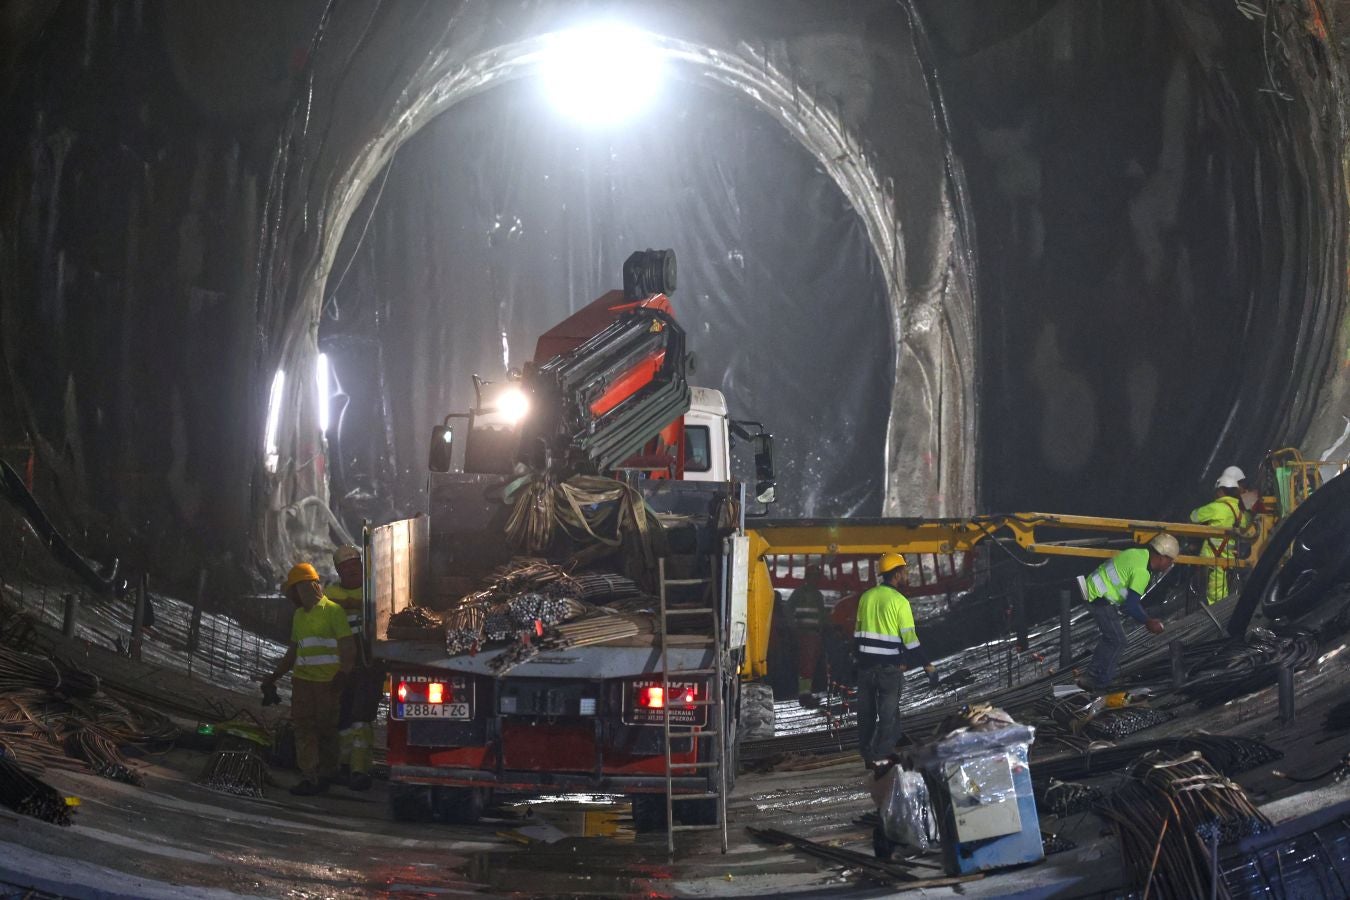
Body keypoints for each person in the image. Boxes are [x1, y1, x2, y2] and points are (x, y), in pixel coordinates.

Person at [262, 563, 354, 796]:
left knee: (326, 729)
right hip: (303, 681)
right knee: (303, 728)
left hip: (327, 683)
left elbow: (347, 647)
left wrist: (343, 673)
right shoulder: (299, 616)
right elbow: (293, 652)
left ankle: (327, 773)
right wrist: (274, 676)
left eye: (296, 590)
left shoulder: (333, 612)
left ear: (308, 586)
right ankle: (310, 777)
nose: (295, 596)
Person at [853, 553, 938, 767]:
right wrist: (927, 664)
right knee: (888, 715)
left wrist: (857, 663)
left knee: (866, 715)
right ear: (898, 574)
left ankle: (867, 754)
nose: (906, 575)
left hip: (865, 668)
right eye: (905, 571)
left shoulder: (866, 597)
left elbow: (857, 634)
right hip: (888, 670)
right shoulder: (900, 602)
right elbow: (910, 639)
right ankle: (881, 755)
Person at [1075, 534, 1176, 692]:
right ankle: (1097, 683)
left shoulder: (1135, 553)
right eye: (1170, 561)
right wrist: (1148, 621)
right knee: (1118, 640)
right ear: (1162, 557)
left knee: (1111, 637)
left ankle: (1092, 677)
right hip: (1099, 597)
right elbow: (1130, 605)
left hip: (1090, 587)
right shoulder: (1143, 572)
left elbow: (1124, 591)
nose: (1170, 565)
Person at [324, 544, 380, 791]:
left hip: (367, 665)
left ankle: (360, 770)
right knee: (342, 717)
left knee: (361, 716)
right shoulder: (330, 593)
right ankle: (343, 766)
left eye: (355, 565)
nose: (352, 571)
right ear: (338, 571)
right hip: (339, 664)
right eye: (345, 567)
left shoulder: (373, 590)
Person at [1190, 471, 1250, 604]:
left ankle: (1216, 618)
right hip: (1228, 557)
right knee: (1222, 590)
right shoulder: (1239, 512)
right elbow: (1245, 524)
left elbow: (1194, 516)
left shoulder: (1216, 508)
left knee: (1214, 595)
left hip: (1211, 556)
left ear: (1222, 491)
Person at [788, 564, 828, 694]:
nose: (815, 580)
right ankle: (804, 693)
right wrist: (793, 628)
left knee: (810, 664)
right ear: (807, 577)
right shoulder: (799, 594)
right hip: (804, 634)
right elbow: (788, 611)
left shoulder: (818, 595)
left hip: (813, 635)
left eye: (817, 577)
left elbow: (822, 616)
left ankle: (806, 691)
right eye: (813, 577)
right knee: (806, 664)